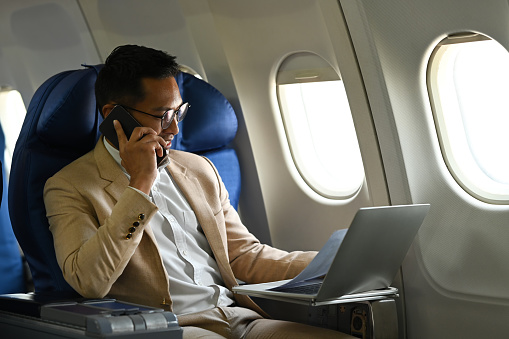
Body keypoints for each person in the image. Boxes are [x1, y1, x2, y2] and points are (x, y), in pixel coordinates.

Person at [43, 45, 355, 339]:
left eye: (178, 113)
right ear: (114, 115)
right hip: (169, 327)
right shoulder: (69, 186)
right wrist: (139, 185)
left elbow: (244, 256)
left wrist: (331, 263)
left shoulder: (198, 168)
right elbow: (90, 282)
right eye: (162, 115)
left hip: (237, 316)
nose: (174, 129)